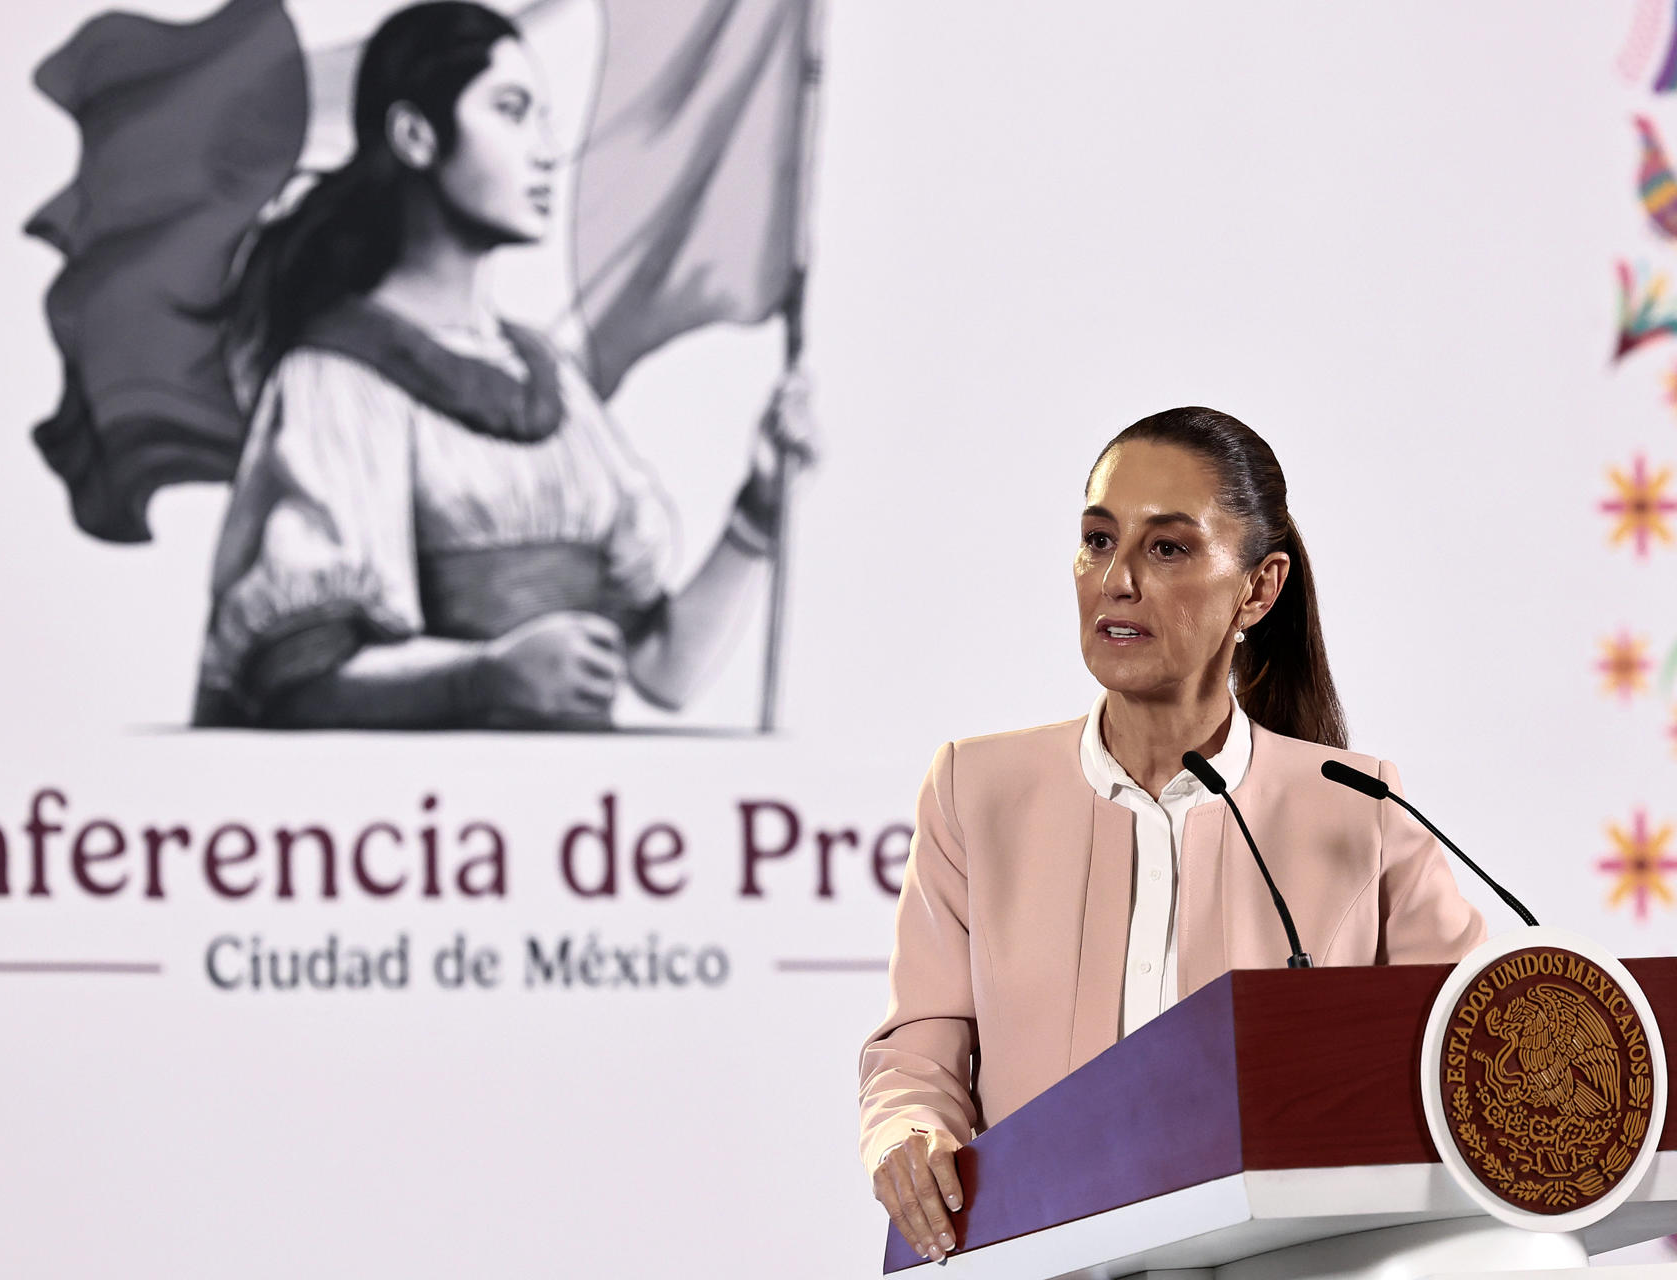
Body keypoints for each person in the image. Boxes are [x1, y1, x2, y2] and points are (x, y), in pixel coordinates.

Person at [859, 407, 1487, 1263]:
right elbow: (921, 1044)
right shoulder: (976, 788)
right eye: (1096, 539)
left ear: (1258, 589)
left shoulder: (1359, 808)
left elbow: (1470, 1049)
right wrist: (911, 1131)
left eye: (1167, 548)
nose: (1117, 579)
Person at [191, 1, 812, 729]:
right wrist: (483, 678)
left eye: (544, 117)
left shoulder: (552, 383)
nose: (547, 150)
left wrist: (759, 509)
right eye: (511, 112)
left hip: (581, 828)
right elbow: (302, 686)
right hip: (424, 828)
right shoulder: (336, 380)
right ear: (416, 136)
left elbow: (663, 671)